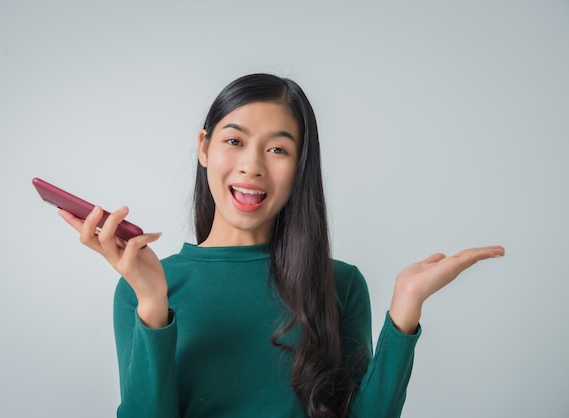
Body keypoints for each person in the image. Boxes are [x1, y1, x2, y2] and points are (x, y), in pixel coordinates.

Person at [59, 73, 504, 418]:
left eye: (278, 150)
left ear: (300, 165)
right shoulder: (142, 290)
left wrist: (405, 311)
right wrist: (154, 305)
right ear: (204, 147)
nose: (251, 165)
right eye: (234, 141)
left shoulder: (341, 283)